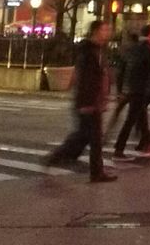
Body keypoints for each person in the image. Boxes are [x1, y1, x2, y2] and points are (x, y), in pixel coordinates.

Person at [46, 20, 117, 183]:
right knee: (93, 139)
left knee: (83, 137)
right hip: (89, 102)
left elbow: (101, 76)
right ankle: (95, 172)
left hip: (94, 102)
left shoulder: (97, 51)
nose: (107, 33)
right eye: (105, 29)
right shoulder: (88, 52)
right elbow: (85, 79)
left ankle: (58, 157)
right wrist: (88, 103)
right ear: (96, 31)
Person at [113, 24, 150, 159]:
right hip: (140, 88)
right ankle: (119, 148)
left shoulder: (134, 48)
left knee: (141, 117)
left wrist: (121, 88)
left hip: (132, 88)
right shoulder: (148, 49)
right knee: (131, 120)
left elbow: (123, 68)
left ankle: (146, 143)